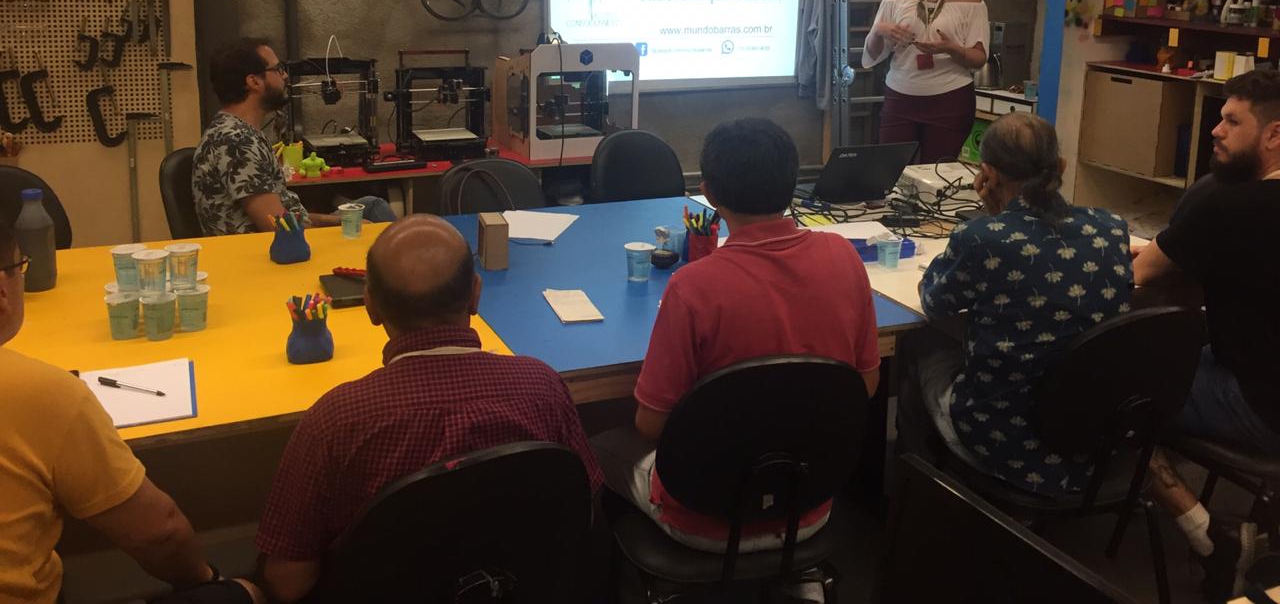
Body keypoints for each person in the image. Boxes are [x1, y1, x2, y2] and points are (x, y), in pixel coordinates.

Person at [253, 215, 602, 603]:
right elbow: (585, 508)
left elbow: (289, 581)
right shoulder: (541, 386)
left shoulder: (336, 419)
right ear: (475, 294)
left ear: (370, 306)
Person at [592, 117, 881, 561]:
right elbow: (865, 386)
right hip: (808, 507)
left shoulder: (694, 287)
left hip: (706, 519)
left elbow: (651, 425)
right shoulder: (843, 258)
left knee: (592, 446)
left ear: (708, 194)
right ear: (792, 184)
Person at [0, 219, 260, 604]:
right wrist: (208, 581)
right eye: (18, 266)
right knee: (243, 595)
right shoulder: (37, 391)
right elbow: (159, 534)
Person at [898, 113, 1133, 496]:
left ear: (986, 173)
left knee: (918, 345)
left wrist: (990, 220)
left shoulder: (982, 238)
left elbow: (934, 302)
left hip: (1004, 433)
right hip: (1090, 430)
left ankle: (915, 492)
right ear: (1061, 166)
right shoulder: (1110, 227)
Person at [1131, 68, 1280, 599]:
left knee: (1106, 382)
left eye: (1232, 121)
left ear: (1274, 134)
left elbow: (1140, 274)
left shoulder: (1228, 202)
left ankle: (1209, 534)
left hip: (1260, 405)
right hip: (1259, 375)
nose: (1215, 130)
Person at [192, 37, 396, 235]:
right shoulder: (238, 142)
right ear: (254, 81)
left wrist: (335, 221)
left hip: (285, 238)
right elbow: (281, 229)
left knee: (370, 206)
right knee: (376, 222)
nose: (285, 76)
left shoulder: (237, 130)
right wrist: (333, 233)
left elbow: (285, 216)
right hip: (273, 255)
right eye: (277, 69)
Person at [862, 0, 989, 163]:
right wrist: (879, 30)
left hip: (950, 100)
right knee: (890, 171)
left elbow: (979, 57)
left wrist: (950, 48)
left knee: (936, 177)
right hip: (901, 97)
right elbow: (872, 53)